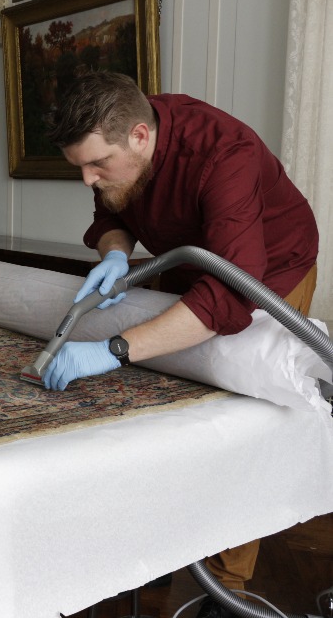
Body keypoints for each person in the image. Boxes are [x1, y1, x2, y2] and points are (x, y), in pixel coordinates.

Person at [41, 71, 319, 616]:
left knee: (247, 413)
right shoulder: (126, 138)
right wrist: (115, 253)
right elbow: (111, 213)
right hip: (192, 258)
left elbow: (229, 298)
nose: (87, 179)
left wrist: (114, 349)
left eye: (97, 165)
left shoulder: (224, 155)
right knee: (165, 395)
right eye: (80, 167)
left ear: (140, 137)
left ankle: (227, 584)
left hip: (271, 273)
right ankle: (160, 544)